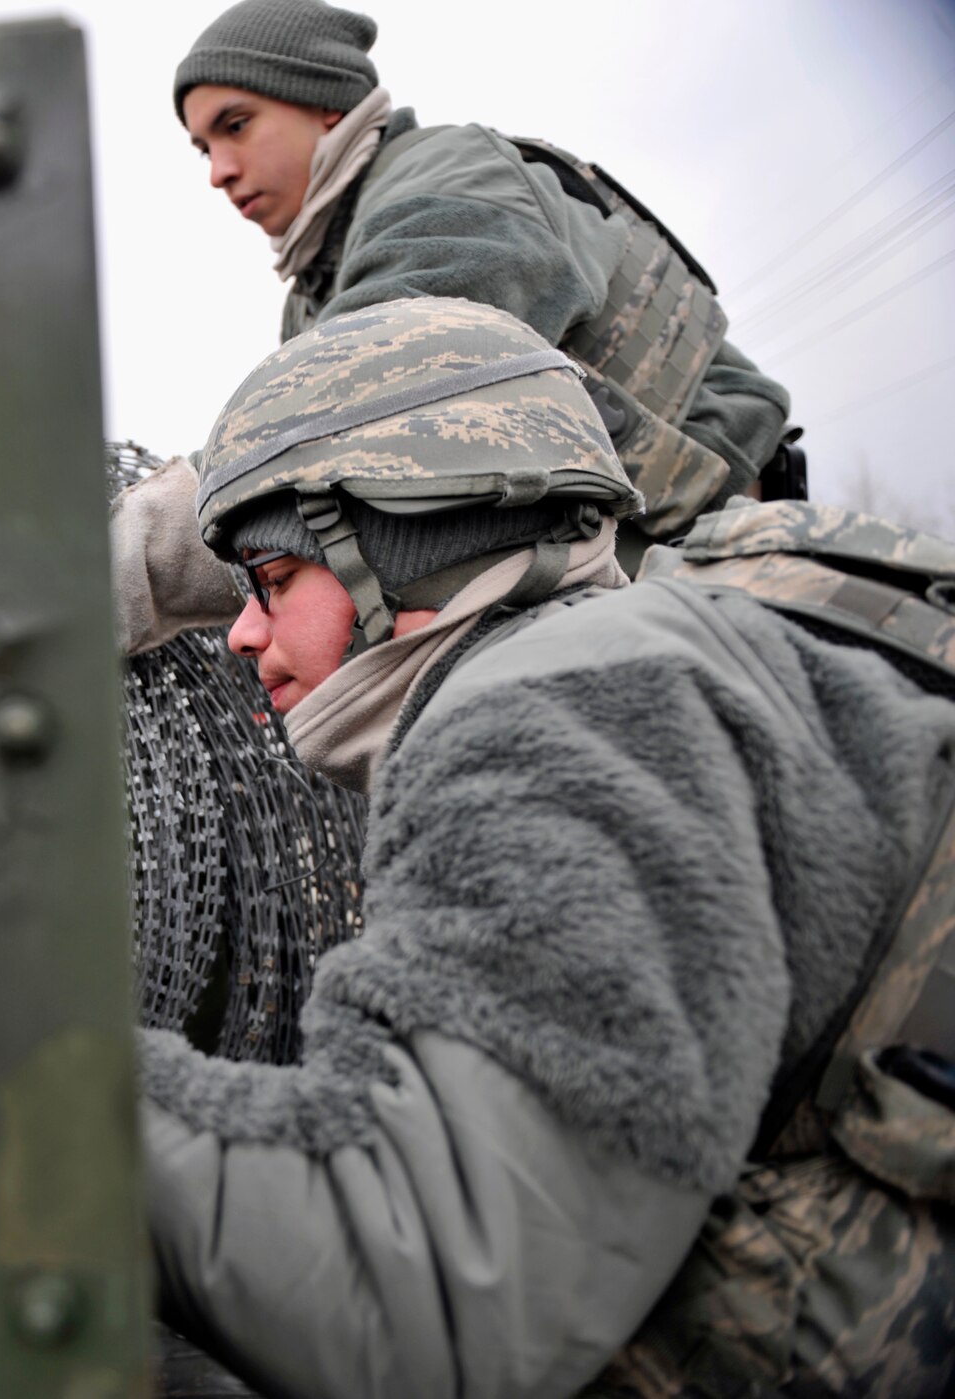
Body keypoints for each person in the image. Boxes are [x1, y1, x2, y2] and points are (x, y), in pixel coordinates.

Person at [125, 295, 955, 1397]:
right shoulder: (676, 637)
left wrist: (21, 1082)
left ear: (410, 541)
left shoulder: (558, 707)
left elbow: (429, 1297)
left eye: (274, 580)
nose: (241, 634)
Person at [170, 0, 797, 572]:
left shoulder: (448, 183)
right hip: (623, 566)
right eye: (203, 149)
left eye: (237, 125)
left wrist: (147, 542)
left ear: (325, 100)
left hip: (731, 553)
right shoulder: (311, 294)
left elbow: (366, 386)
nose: (219, 173)